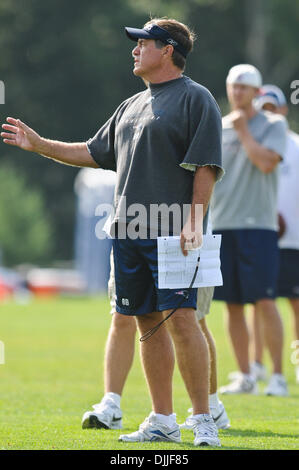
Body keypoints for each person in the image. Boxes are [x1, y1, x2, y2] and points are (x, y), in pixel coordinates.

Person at [1, 18, 224, 446]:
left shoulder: (197, 99)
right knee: (147, 324)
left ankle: (203, 421)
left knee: (183, 322)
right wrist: (41, 144)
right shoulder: (130, 105)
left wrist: (194, 221)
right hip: (128, 231)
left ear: (167, 50)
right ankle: (162, 419)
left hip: (174, 233)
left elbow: (207, 164)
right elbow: (92, 150)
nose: (135, 50)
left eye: (143, 43)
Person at [82, 232, 230, 432]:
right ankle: (113, 404)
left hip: (183, 235)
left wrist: (194, 220)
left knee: (189, 319)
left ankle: (209, 408)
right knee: (123, 314)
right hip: (132, 232)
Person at [210, 64, 288, 396]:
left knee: (265, 301)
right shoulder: (217, 126)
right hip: (223, 224)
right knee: (231, 304)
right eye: (233, 87)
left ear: (257, 92)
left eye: (245, 88)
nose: (238, 93)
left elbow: (267, 162)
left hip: (258, 226)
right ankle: (245, 376)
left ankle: (278, 376)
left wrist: (243, 131)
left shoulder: (273, 124)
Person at [249, 85, 299, 386]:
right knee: (258, 302)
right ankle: (257, 366)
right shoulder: (248, 145)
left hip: (293, 239)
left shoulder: (295, 145)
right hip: (259, 235)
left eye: (272, 108)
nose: (268, 114)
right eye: (262, 108)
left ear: (283, 110)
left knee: (295, 303)